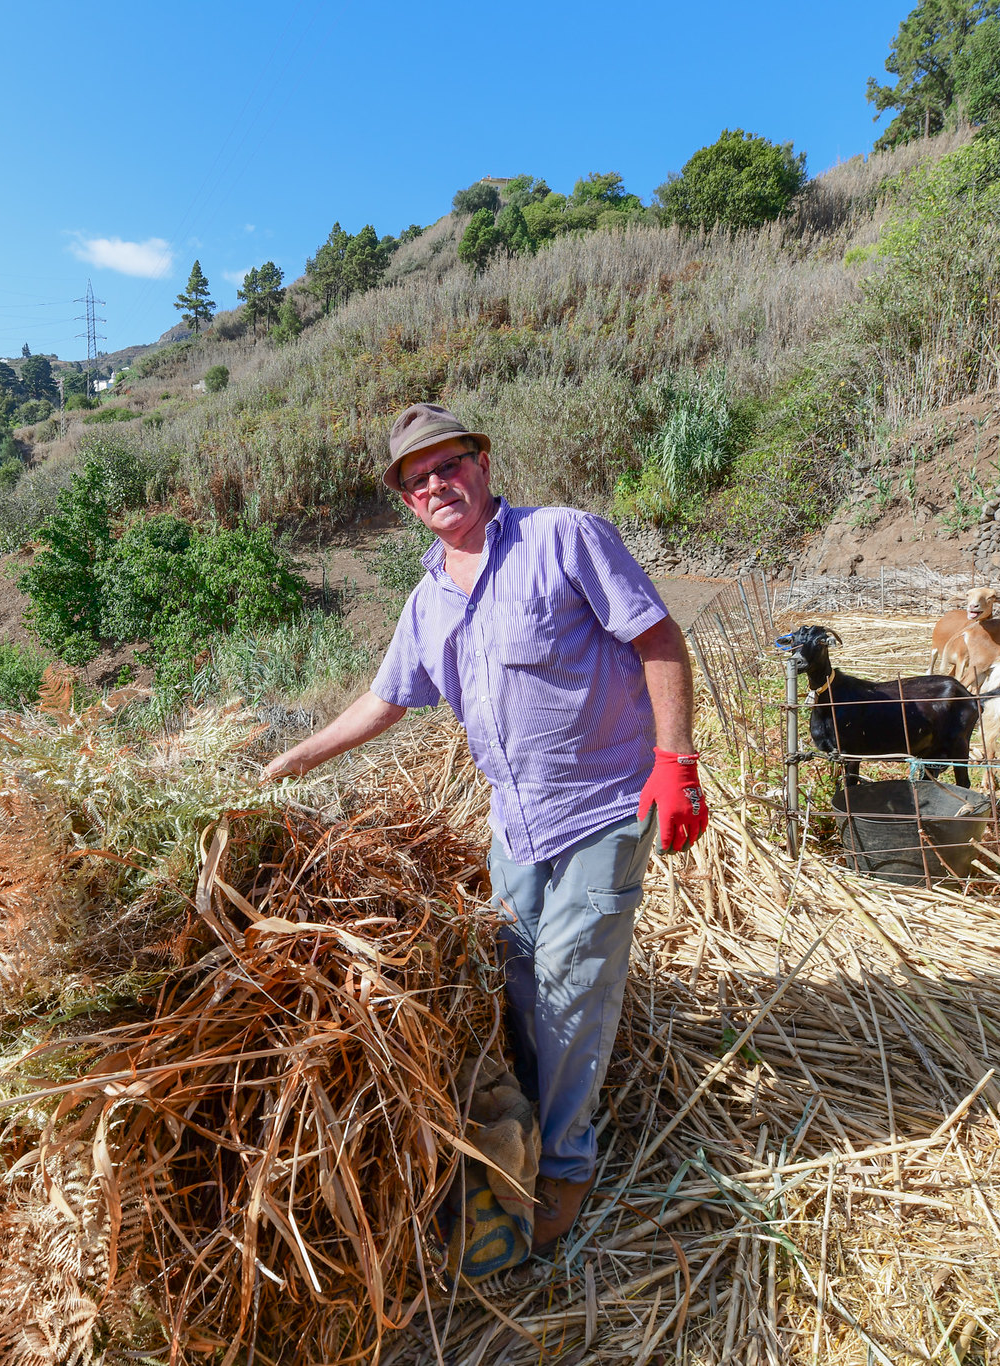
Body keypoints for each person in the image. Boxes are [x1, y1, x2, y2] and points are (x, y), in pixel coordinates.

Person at [263, 402, 708, 1267]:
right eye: (417, 478)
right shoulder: (428, 599)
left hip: (605, 804)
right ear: (405, 500)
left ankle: (568, 1164)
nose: (437, 484)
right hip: (515, 822)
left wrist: (675, 762)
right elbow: (384, 699)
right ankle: (542, 1120)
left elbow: (656, 637)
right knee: (515, 987)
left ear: (483, 462)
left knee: (572, 986)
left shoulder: (563, 538)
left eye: (449, 464)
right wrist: (292, 761)